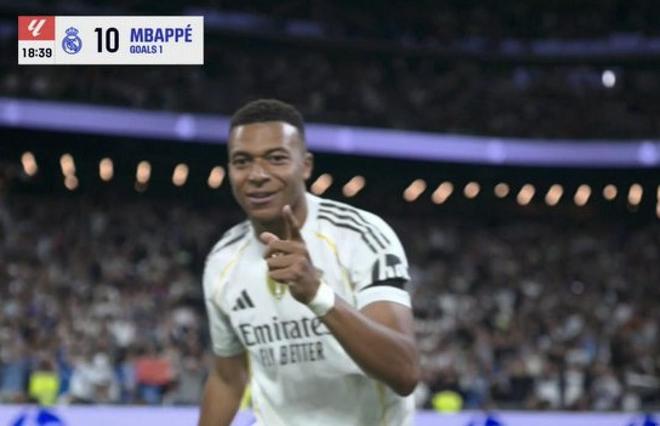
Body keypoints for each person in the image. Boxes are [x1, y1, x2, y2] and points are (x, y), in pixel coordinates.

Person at [199, 99, 420, 426]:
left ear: (305, 165)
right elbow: (228, 379)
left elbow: (404, 372)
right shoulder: (222, 260)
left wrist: (317, 294)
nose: (257, 175)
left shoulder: (359, 236)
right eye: (242, 161)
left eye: (276, 158)